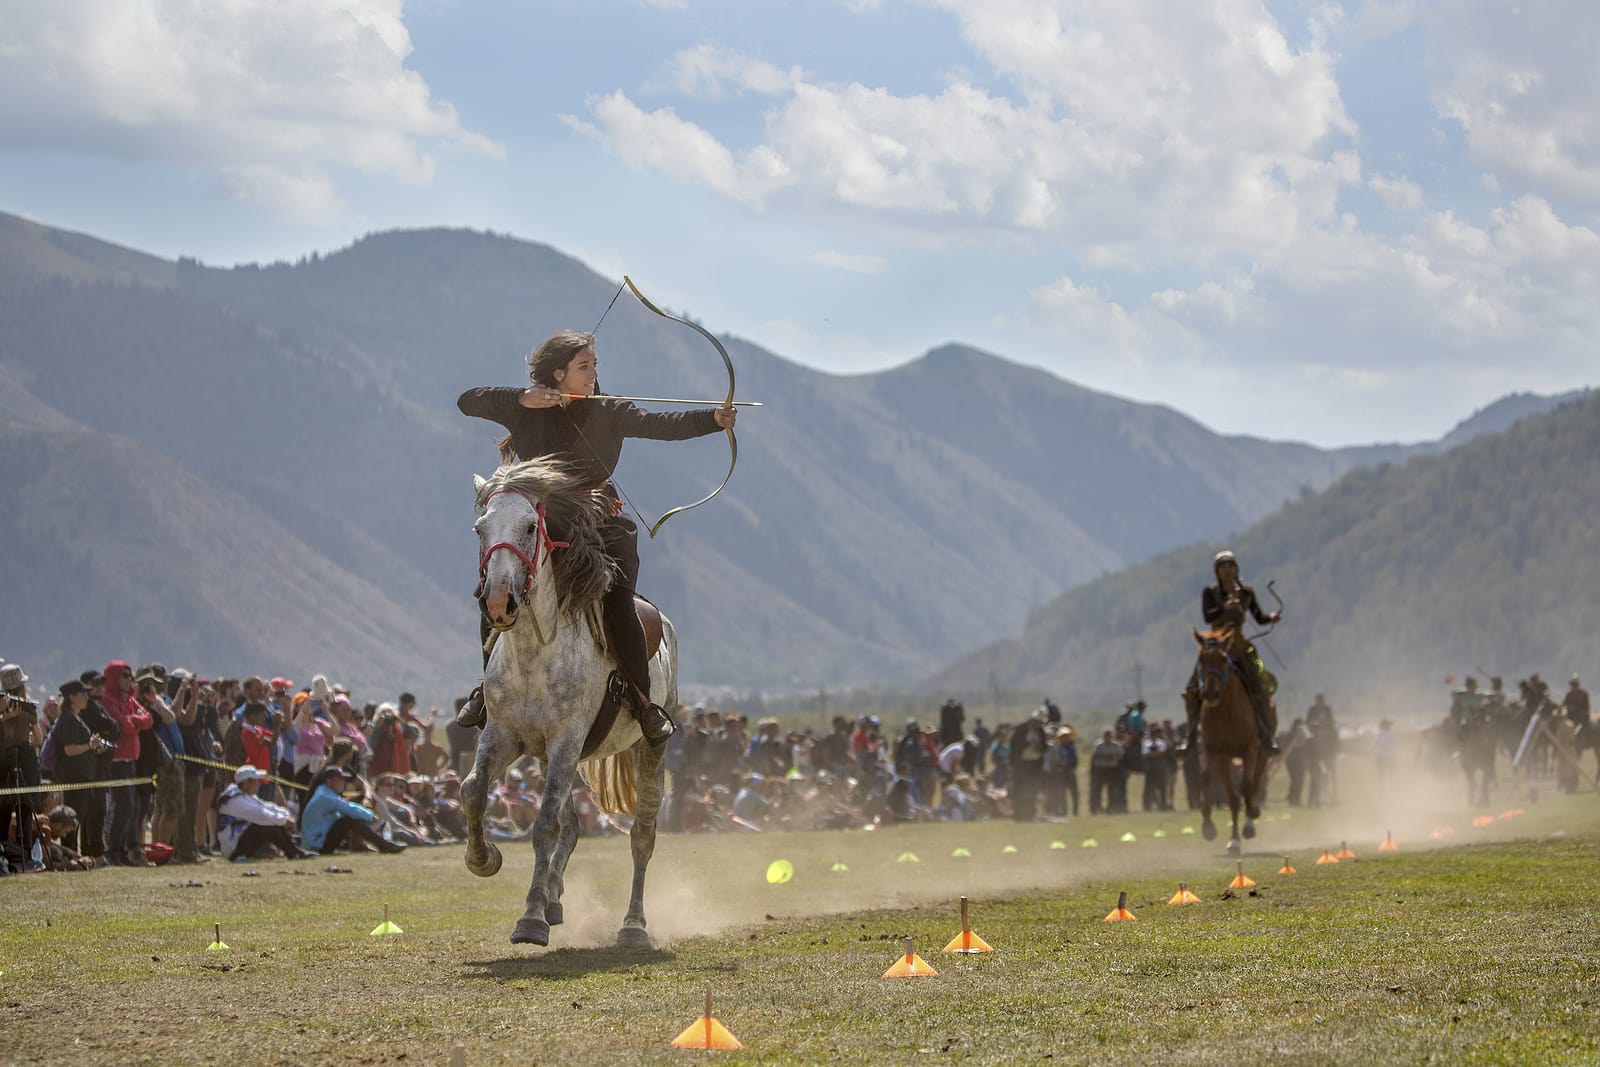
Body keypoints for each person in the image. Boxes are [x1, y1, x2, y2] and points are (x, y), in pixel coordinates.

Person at [455, 329, 737, 743]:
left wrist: (712, 420)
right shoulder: (527, 408)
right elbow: (467, 401)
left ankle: (643, 702)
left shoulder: (609, 411)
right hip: (544, 520)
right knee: (495, 585)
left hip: (597, 520)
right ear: (558, 373)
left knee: (619, 600)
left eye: (593, 366)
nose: (592, 374)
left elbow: (661, 424)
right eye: (583, 367)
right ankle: (489, 690)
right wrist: (520, 398)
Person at [1184, 549, 1282, 754]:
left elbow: (1259, 617)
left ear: (1236, 569)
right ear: (1217, 571)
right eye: (1223, 566)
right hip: (1215, 647)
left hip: (1240, 646)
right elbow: (1207, 617)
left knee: (1260, 685)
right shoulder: (1210, 593)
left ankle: (1266, 734)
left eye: (1231, 566)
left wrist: (1271, 617)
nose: (1227, 570)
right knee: (1192, 689)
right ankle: (1190, 737)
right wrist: (1224, 607)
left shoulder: (1247, 593)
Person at [300, 767, 404, 854]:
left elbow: (347, 806)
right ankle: (383, 845)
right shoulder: (326, 797)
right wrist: (371, 816)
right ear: (329, 780)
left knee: (351, 818)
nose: (343, 782)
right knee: (350, 819)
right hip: (317, 845)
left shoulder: (324, 793)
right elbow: (349, 809)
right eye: (339, 779)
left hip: (316, 841)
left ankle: (380, 845)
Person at [217, 765, 311, 861]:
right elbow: (262, 814)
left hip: (238, 840)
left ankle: (295, 852)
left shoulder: (245, 795)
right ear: (246, 783)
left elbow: (266, 806)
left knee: (271, 822)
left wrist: (285, 814)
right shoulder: (236, 801)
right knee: (268, 823)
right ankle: (295, 852)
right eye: (256, 780)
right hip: (232, 849)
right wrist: (284, 821)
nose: (259, 783)